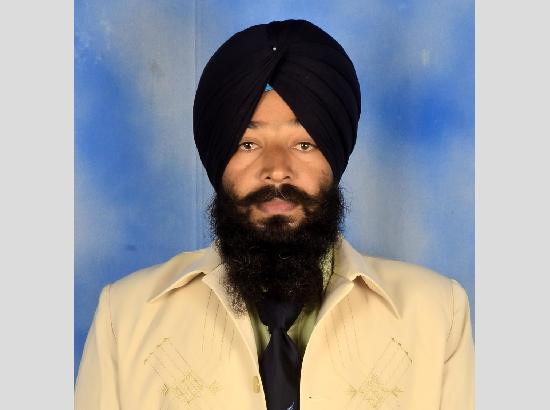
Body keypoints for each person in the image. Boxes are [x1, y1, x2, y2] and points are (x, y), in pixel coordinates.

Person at [75, 19, 474, 410]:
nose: (277, 170)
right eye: (248, 144)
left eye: (304, 144)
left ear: (334, 158)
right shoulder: (124, 317)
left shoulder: (437, 314)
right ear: (219, 159)